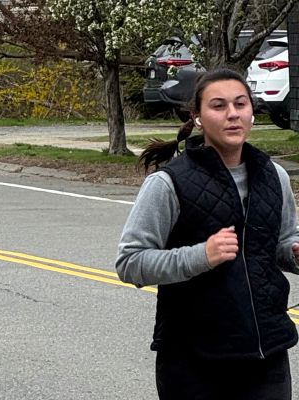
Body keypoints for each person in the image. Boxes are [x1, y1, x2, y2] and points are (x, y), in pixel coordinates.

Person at [117, 68, 298, 400]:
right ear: (197, 117)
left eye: (240, 104)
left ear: (252, 113)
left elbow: (282, 242)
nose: (232, 114)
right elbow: (130, 262)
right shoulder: (167, 184)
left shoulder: (275, 176)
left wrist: (294, 252)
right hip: (193, 361)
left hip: (267, 355)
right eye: (218, 105)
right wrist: (201, 255)